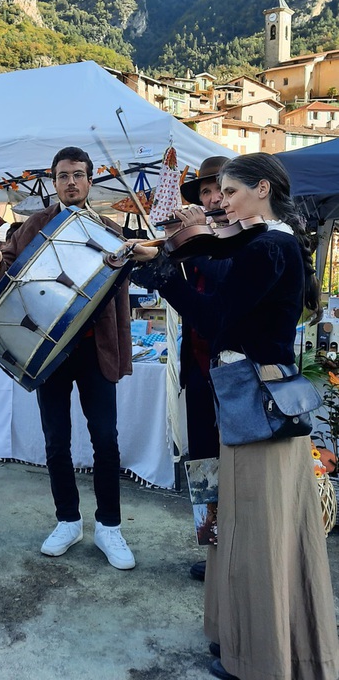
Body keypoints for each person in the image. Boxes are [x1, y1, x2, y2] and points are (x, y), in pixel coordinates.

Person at [129, 153, 339, 680]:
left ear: (262, 189)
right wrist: (174, 252)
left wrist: (165, 276)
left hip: (255, 401)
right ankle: (250, 641)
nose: (219, 203)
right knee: (247, 526)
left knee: (254, 530)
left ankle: (262, 658)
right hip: (254, 397)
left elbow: (214, 317)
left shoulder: (268, 247)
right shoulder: (269, 242)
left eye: (229, 192)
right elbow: (222, 271)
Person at [0, 146, 135, 570]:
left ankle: (109, 526)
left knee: (105, 439)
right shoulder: (34, 225)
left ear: (90, 181)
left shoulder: (109, 230)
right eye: (64, 175)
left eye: (78, 175)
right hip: (46, 348)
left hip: (96, 347)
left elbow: (123, 289)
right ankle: (68, 519)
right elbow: (5, 265)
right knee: (56, 440)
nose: (71, 182)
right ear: (54, 182)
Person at [178, 156, 230, 582]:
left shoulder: (246, 242)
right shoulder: (198, 243)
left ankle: (238, 551)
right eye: (206, 192)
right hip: (198, 368)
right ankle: (212, 548)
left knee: (237, 465)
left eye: (220, 191)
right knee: (203, 463)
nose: (212, 199)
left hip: (235, 373)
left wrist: (197, 241)